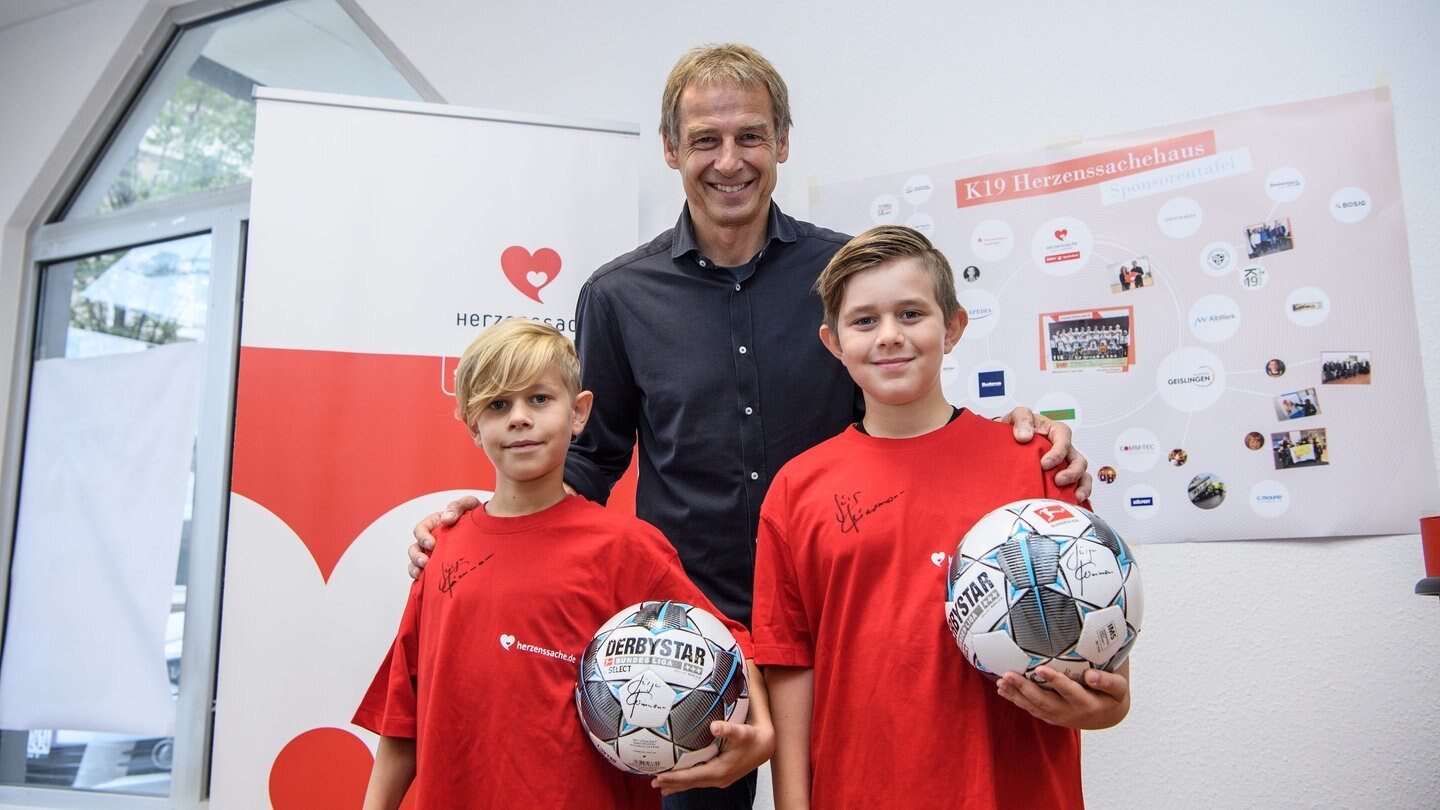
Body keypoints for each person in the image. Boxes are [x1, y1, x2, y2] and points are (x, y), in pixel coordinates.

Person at [409, 44, 1090, 808]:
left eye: (751, 137)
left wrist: (1017, 434)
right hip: (689, 644)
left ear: (783, 144)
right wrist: (494, 521)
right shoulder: (617, 294)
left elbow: (896, 409)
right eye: (705, 139)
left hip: (835, 628)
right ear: (671, 150)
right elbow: (592, 459)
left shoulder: (840, 277)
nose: (728, 161)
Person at [753, 226, 1130, 809]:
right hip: (861, 791)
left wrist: (1109, 702)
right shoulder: (796, 490)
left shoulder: (1035, 464)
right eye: (864, 321)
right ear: (832, 342)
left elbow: (1107, 659)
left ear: (952, 327)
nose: (889, 337)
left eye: (911, 313)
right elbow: (790, 666)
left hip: (1017, 791)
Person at [354, 320, 773, 809]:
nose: (519, 418)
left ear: (578, 413)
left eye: (539, 399)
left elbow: (729, 645)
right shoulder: (444, 546)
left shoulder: (626, 547)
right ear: (472, 424)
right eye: (497, 404)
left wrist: (762, 731)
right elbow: (403, 712)